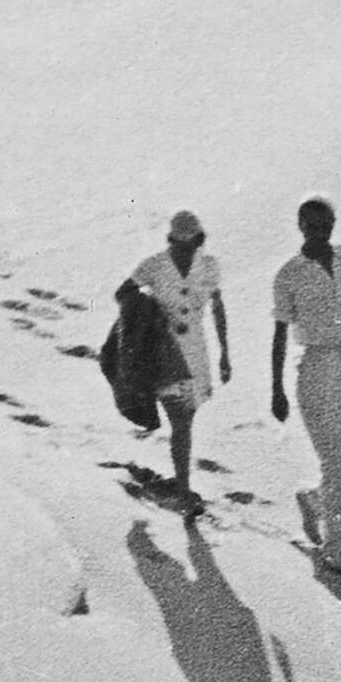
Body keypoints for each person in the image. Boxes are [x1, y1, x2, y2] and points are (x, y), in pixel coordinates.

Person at [270, 196, 341, 578]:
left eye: (325, 224)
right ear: (300, 226)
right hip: (315, 367)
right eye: (311, 225)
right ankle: (336, 549)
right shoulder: (289, 274)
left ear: (333, 224)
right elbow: (279, 333)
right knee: (337, 460)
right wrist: (276, 389)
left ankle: (315, 499)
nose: (319, 232)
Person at [125, 208, 228, 514]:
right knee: (181, 422)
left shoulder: (208, 266)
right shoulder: (154, 266)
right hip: (163, 351)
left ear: (199, 241)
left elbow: (218, 308)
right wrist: (150, 314)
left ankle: (179, 481)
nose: (184, 249)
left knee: (187, 421)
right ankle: (183, 491)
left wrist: (225, 354)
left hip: (196, 352)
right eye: (178, 244)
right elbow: (124, 293)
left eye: (190, 243)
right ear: (170, 240)